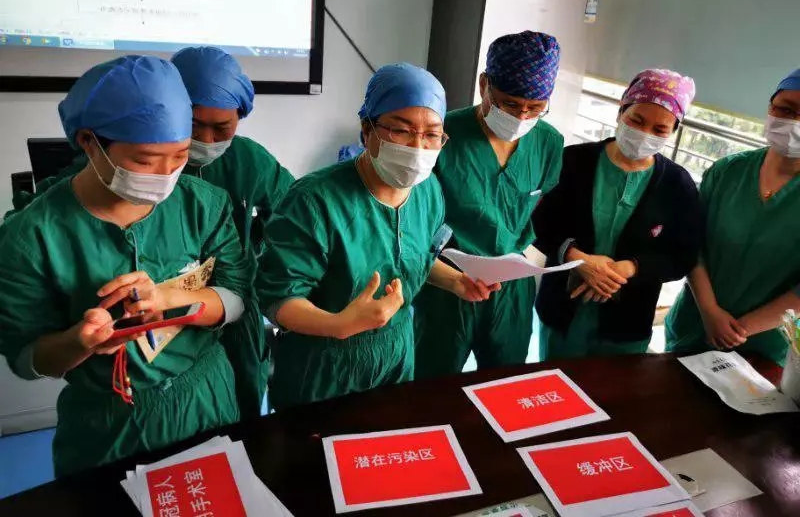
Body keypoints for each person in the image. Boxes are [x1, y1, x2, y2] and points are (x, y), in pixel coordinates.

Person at [0, 56, 253, 477]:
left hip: (205, 398)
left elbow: (237, 296)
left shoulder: (202, 205)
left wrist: (170, 297)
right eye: (146, 160)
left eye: (180, 156)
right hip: (108, 422)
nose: (167, 174)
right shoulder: (32, 236)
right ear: (89, 142)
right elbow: (27, 359)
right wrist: (79, 342)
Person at [256, 63, 498, 409]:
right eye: (401, 130)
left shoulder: (428, 191)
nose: (418, 147)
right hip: (324, 364)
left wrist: (457, 281)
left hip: (396, 353)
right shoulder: (314, 201)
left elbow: (411, 257)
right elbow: (279, 298)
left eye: (432, 134)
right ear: (367, 129)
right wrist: (339, 324)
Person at [413, 31, 563, 378]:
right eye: (509, 104)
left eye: (535, 108)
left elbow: (540, 206)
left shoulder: (548, 142)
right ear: (484, 85)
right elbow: (416, 215)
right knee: (434, 379)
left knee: (506, 379)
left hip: (511, 282)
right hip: (448, 278)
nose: (522, 116)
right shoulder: (442, 135)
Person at [533, 69, 702, 358]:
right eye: (636, 120)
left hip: (627, 320)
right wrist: (577, 258)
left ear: (673, 131)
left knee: (614, 386)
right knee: (554, 378)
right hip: (563, 308)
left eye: (659, 130)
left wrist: (629, 268)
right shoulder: (573, 160)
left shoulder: (678, 185)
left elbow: (682, 255)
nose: (644, 134)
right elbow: (540, 223)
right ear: (621, 111)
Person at [172, 45, 294, 417]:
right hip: (166, 308)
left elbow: (295, 217)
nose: (207, 140)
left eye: (221, 128)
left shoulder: (249, 161)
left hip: (237, 304)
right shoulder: (153, 161)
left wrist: (264, 250)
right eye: (194, 125)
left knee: (243, 402)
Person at [665, 68, 800, 366]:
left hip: (763, 345)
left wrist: (740, 330)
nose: (794, 123)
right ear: (770, 108)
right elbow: (691, 243)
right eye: (786, 110)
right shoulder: (727, 171)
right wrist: (709, 312)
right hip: (694, 323)